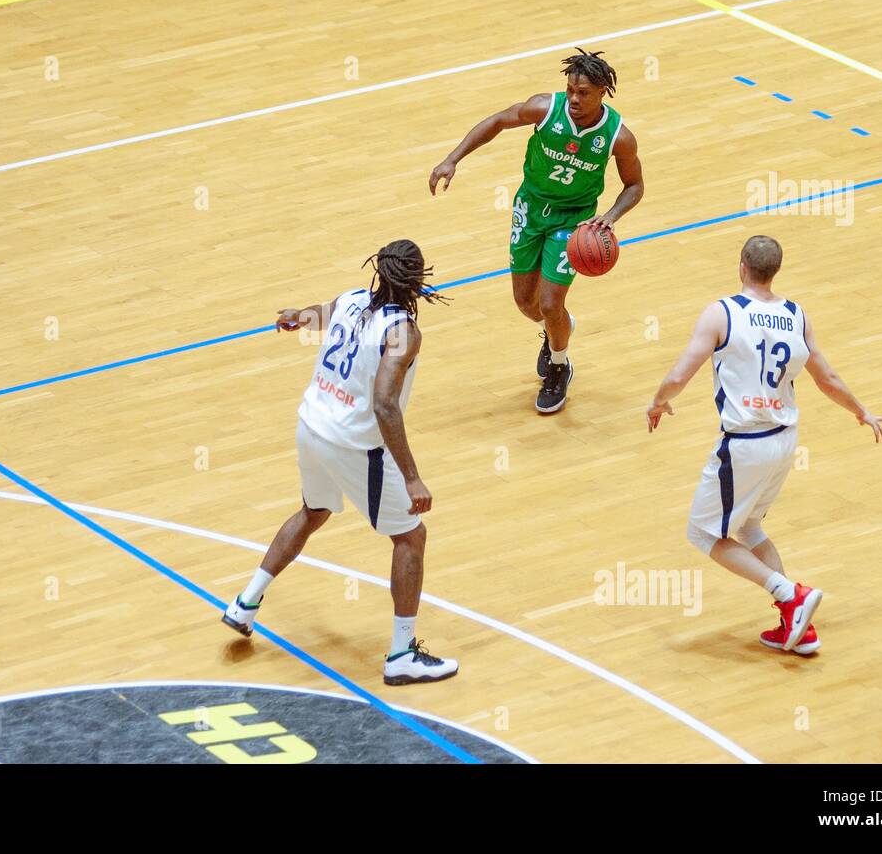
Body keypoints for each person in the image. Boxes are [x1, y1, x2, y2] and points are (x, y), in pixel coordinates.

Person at [221, 240, 458, 685]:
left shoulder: (352, 299)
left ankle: (245, 603)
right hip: (353, 445)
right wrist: (412, 477)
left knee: (314, 510)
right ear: (417, 282)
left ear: (379, 272)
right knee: (411, 537)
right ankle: (402, 655)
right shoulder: (402, 331)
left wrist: (297, 315)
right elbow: (385, 404)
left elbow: (320, 312)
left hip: (311, 424)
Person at [646, 235, 882, 653]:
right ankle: (796, 624)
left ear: (742, 265)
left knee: (703, 534)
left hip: (744, 443)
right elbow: (826, 378)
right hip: (784, 439)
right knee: (748, 526)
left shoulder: (723, 312)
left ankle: (790, 593)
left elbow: (680, 373)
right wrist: (861, 411)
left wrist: (658, 401)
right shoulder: (796, 314)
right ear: (775, 271)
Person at [430, 48, 644, 412]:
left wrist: (611, 216)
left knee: (549, 303)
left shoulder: (618, 137)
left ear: (603, 92)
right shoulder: (544, 109)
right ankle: (558, 329)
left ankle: (559, 367)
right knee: (526, 303)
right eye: (571, 90)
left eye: (584, 93)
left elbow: (635, 185)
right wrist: (452, 159)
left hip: (573, 221)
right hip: (529, 210)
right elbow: (498, 121)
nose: (575, 99)